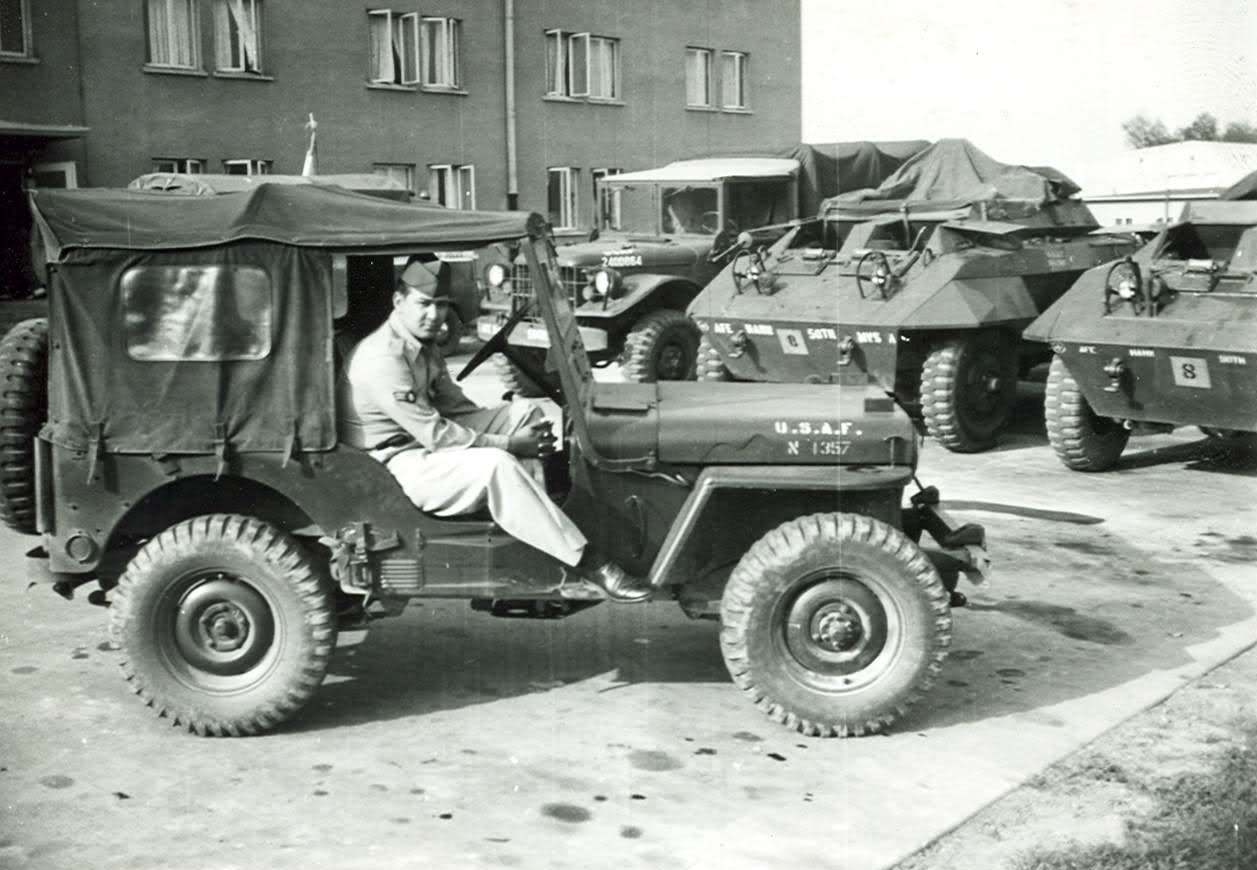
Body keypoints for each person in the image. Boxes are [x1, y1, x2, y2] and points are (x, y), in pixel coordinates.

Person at [336, 258, 651, 602]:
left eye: (441, 306)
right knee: (496, 464)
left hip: (419, 445)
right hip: (392, 464)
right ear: (399, 302)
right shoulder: (384, 359)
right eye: (424, 304)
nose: (434, 315)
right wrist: (511, 445)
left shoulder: (420, 343)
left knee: (524, 411)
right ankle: (590, 563)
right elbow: (437, 435)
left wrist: (511, 429)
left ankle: (541, 519)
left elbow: (458, 409)